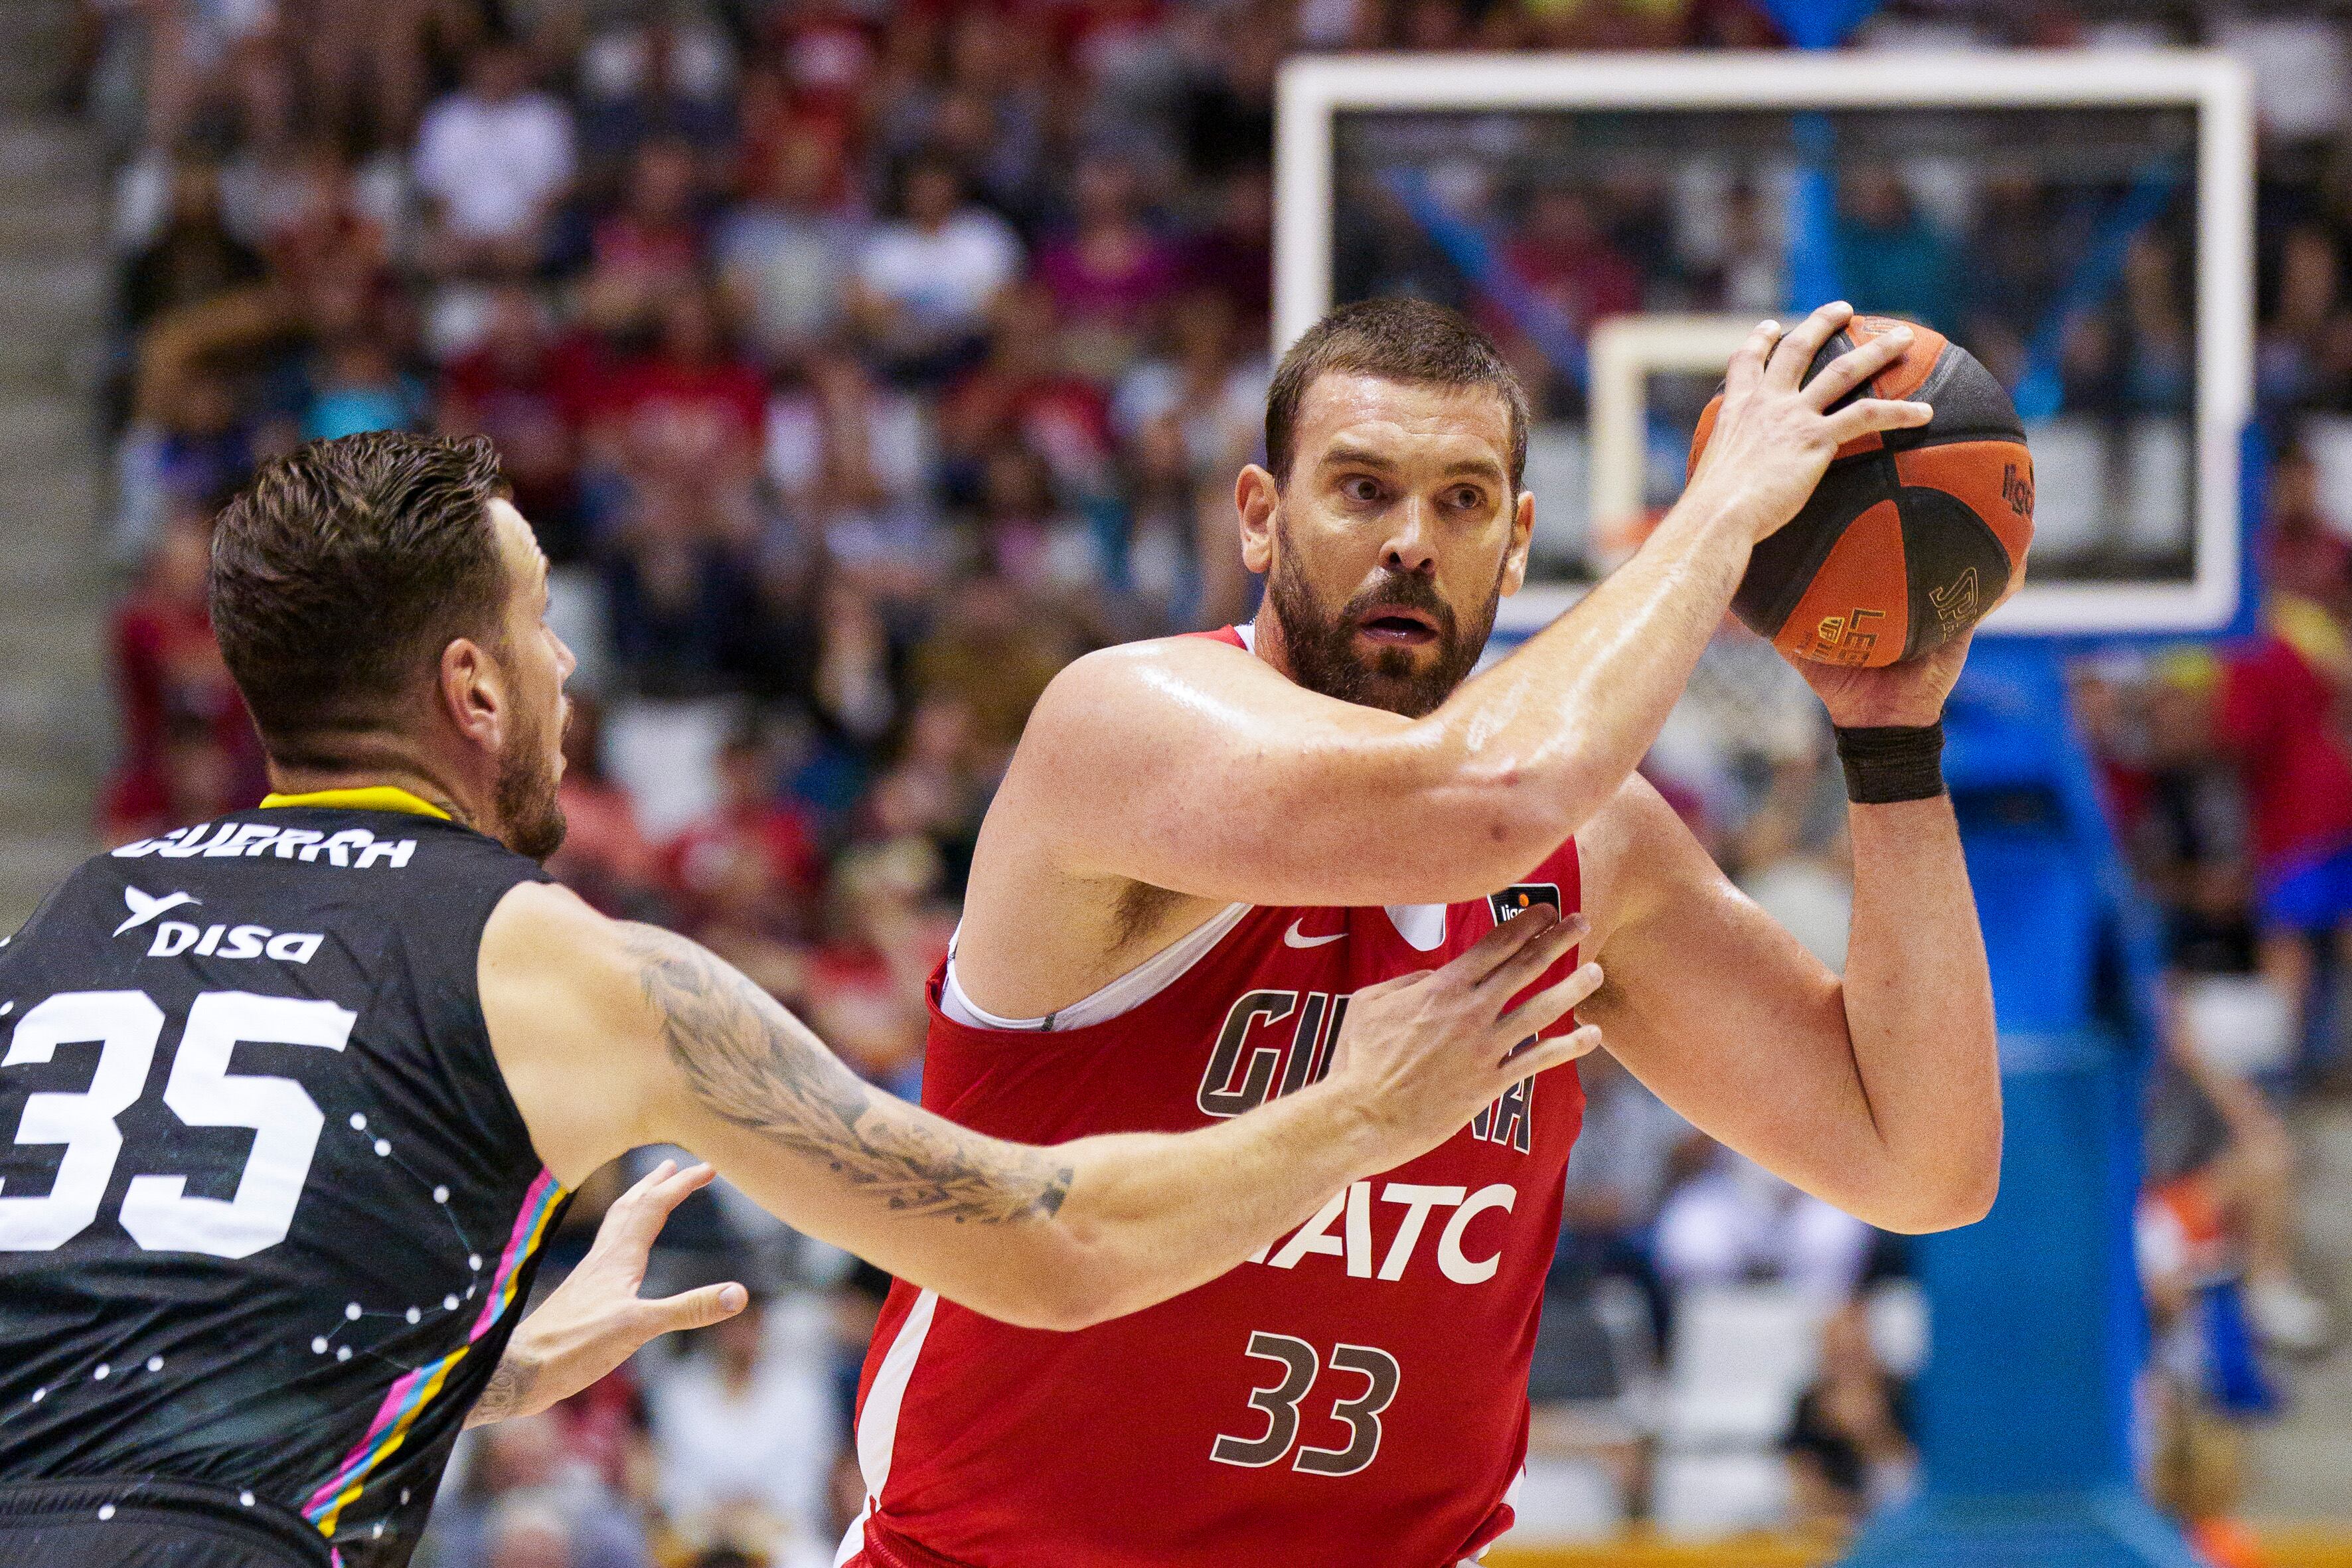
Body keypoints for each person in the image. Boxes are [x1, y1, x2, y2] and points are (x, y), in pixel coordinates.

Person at [0, 431, 1604, 1568]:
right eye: (541, 618)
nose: (565, 665)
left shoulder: (75, 918)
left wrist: (454, 1369)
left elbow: (113, 1352)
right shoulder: (553, 955)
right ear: (473, 689)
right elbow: (1047, 1241)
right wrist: (1371, 1111)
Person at [837, 298, 2003, 1567]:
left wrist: (1892, 740)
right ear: (1259, 515)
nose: (1411, 541)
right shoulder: (1123, 727)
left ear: (1517, 545)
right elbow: (1484, 799)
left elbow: (1922, 1163)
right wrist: (1719, 515)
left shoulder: (1593, 848)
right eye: (1361, 489)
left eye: (1462, 501)